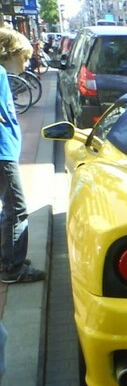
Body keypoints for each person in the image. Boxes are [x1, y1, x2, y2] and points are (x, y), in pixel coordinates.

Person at [0, 28, 46, 284]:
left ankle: (8, 258)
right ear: (10, 53)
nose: (27, 64)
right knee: (17, 209)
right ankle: (13, 268)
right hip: (2, 153)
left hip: (5, 151)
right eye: (25, 58)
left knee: (9, 209)